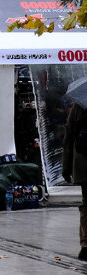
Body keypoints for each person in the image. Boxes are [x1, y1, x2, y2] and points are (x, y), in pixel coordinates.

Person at [62, 103, 87, 261]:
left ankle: (85, 245)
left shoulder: (78, 106)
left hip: (83, 164)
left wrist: (66, 167)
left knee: (86, 205)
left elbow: (69, 137)